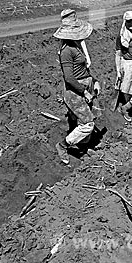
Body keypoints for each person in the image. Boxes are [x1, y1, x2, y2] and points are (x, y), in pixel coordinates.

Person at [53, 9, 100, 165]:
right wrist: (84, 92)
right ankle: (62, 146)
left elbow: (84, 68)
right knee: (88, 123)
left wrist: (94, 80)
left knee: (82, 121)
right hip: (74, 90)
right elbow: (69, 78)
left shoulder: (77, 45)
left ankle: (83, 147)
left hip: (84, 85)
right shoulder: (66, 51)